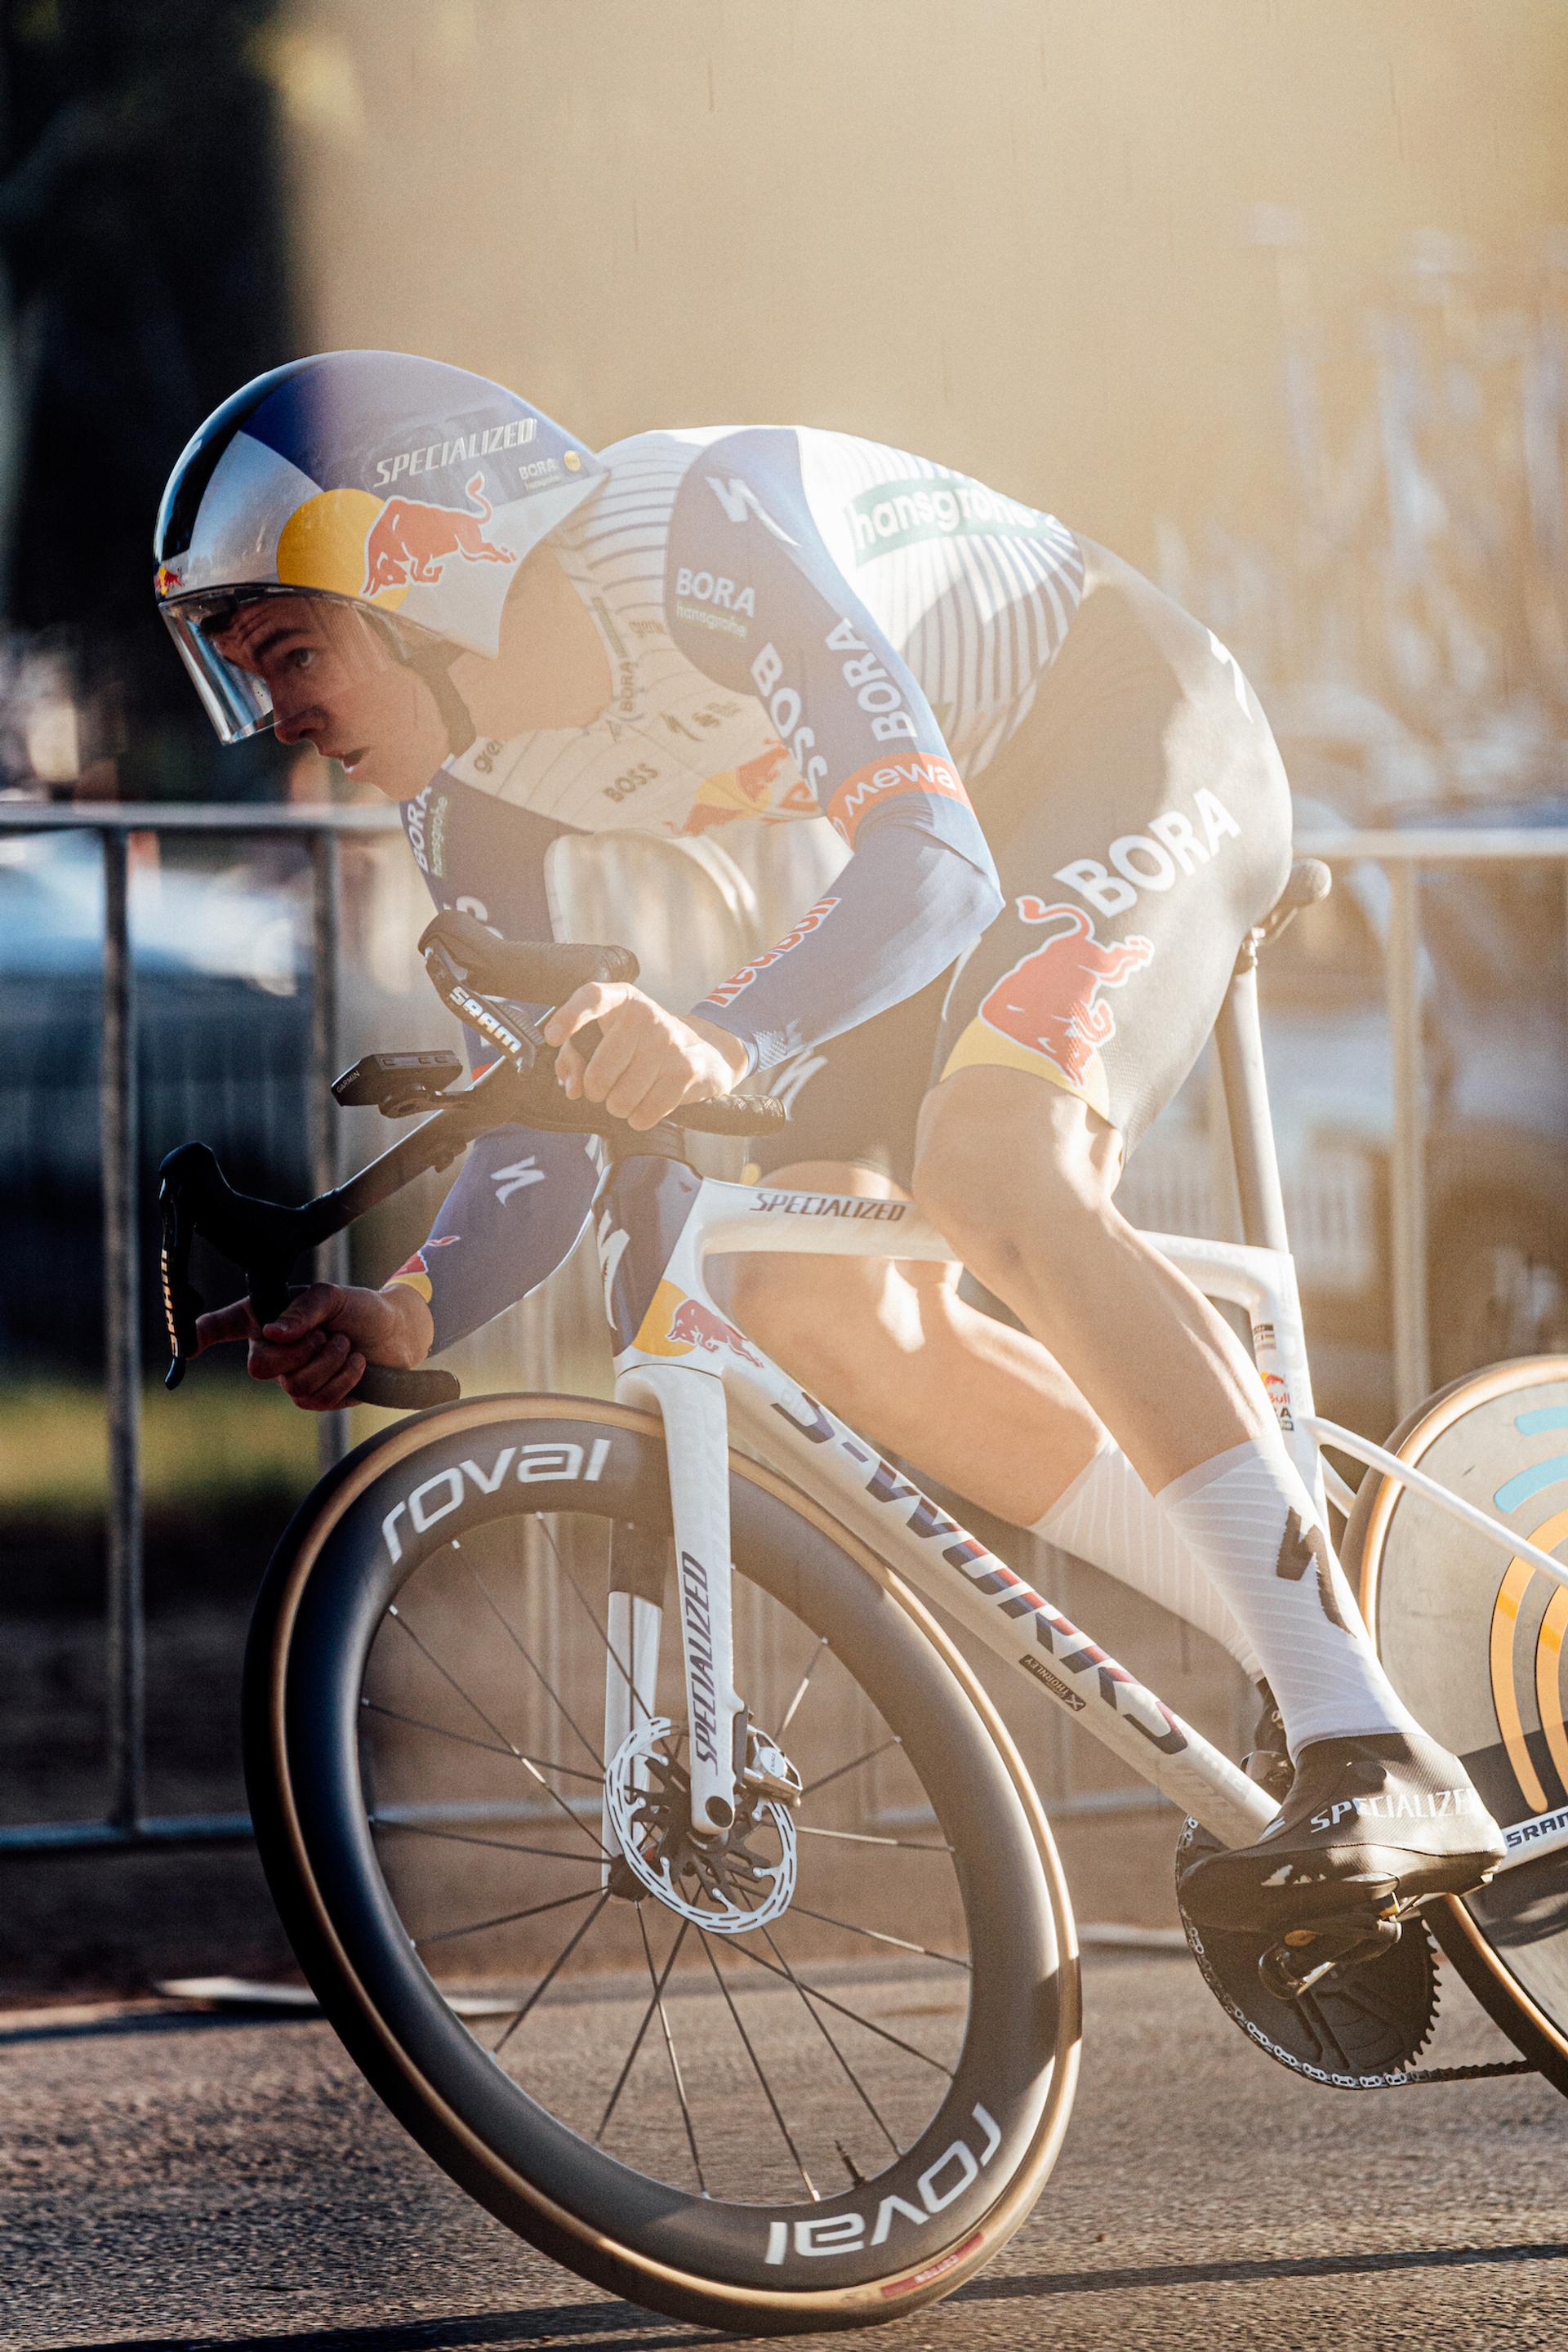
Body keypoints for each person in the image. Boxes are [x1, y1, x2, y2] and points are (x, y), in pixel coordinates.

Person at [154, 350, 1504, 1936]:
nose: (273, 718)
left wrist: (722, 1033)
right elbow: (546, 1117)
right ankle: (1330, 1622)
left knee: (994, 1170)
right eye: (247, 673)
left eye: (291, 651)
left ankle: (1372, 1744)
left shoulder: (691, 531)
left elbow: (930, 863)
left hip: (1120, 730)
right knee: (815, 1306)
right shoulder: (472, 805)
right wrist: (418, 1306)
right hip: (938, 852)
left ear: (427, 561)